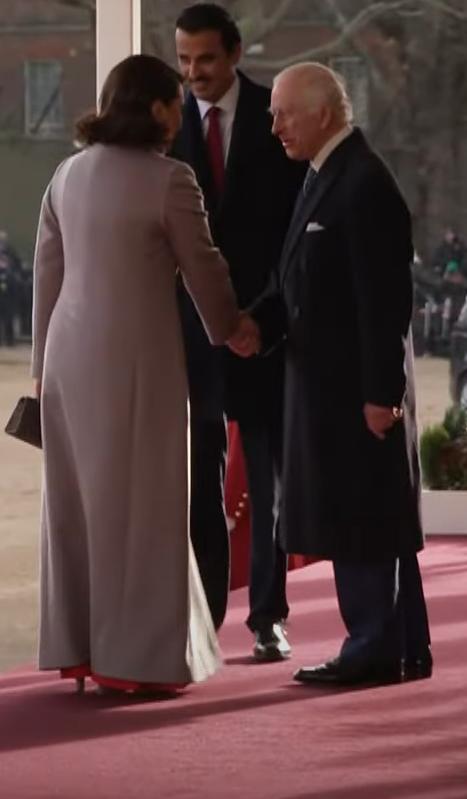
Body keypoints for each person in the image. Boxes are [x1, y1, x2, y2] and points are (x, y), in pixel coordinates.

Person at [31, 54, 259, 696]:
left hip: (65, 361)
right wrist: (232, 329)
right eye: (174, 100)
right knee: (145, 505)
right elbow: (204, 267)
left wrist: (37, 370)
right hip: (138, 360)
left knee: (76, 507)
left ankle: (78, 647)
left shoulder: (65, 175)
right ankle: (134, 659)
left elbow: (46, 275)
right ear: (157, 109)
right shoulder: (170, 180)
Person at [255, 63, 431, 686]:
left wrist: (382, 394)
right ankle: (399, 644)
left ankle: (372, 646)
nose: (274, 124)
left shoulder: (363, 183)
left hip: (357, 393)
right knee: (371, 516)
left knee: (363, 517)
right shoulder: (324, 177)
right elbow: (299, 282)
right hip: (329, 389)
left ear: (323, 113)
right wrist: (256, 325)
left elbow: (385, 301)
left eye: (284, 112)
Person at [170, 2, 306, 654]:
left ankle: (268, 618)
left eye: (204, 60)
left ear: (233, 54)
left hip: (263, 327)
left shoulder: (272, 117)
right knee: (198, 483)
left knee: (267, 478)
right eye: (184, 61)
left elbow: (292, 228)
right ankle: (206, 621)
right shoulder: (163, 125)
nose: (193, 73)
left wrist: (259, 316)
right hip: (191, 337)